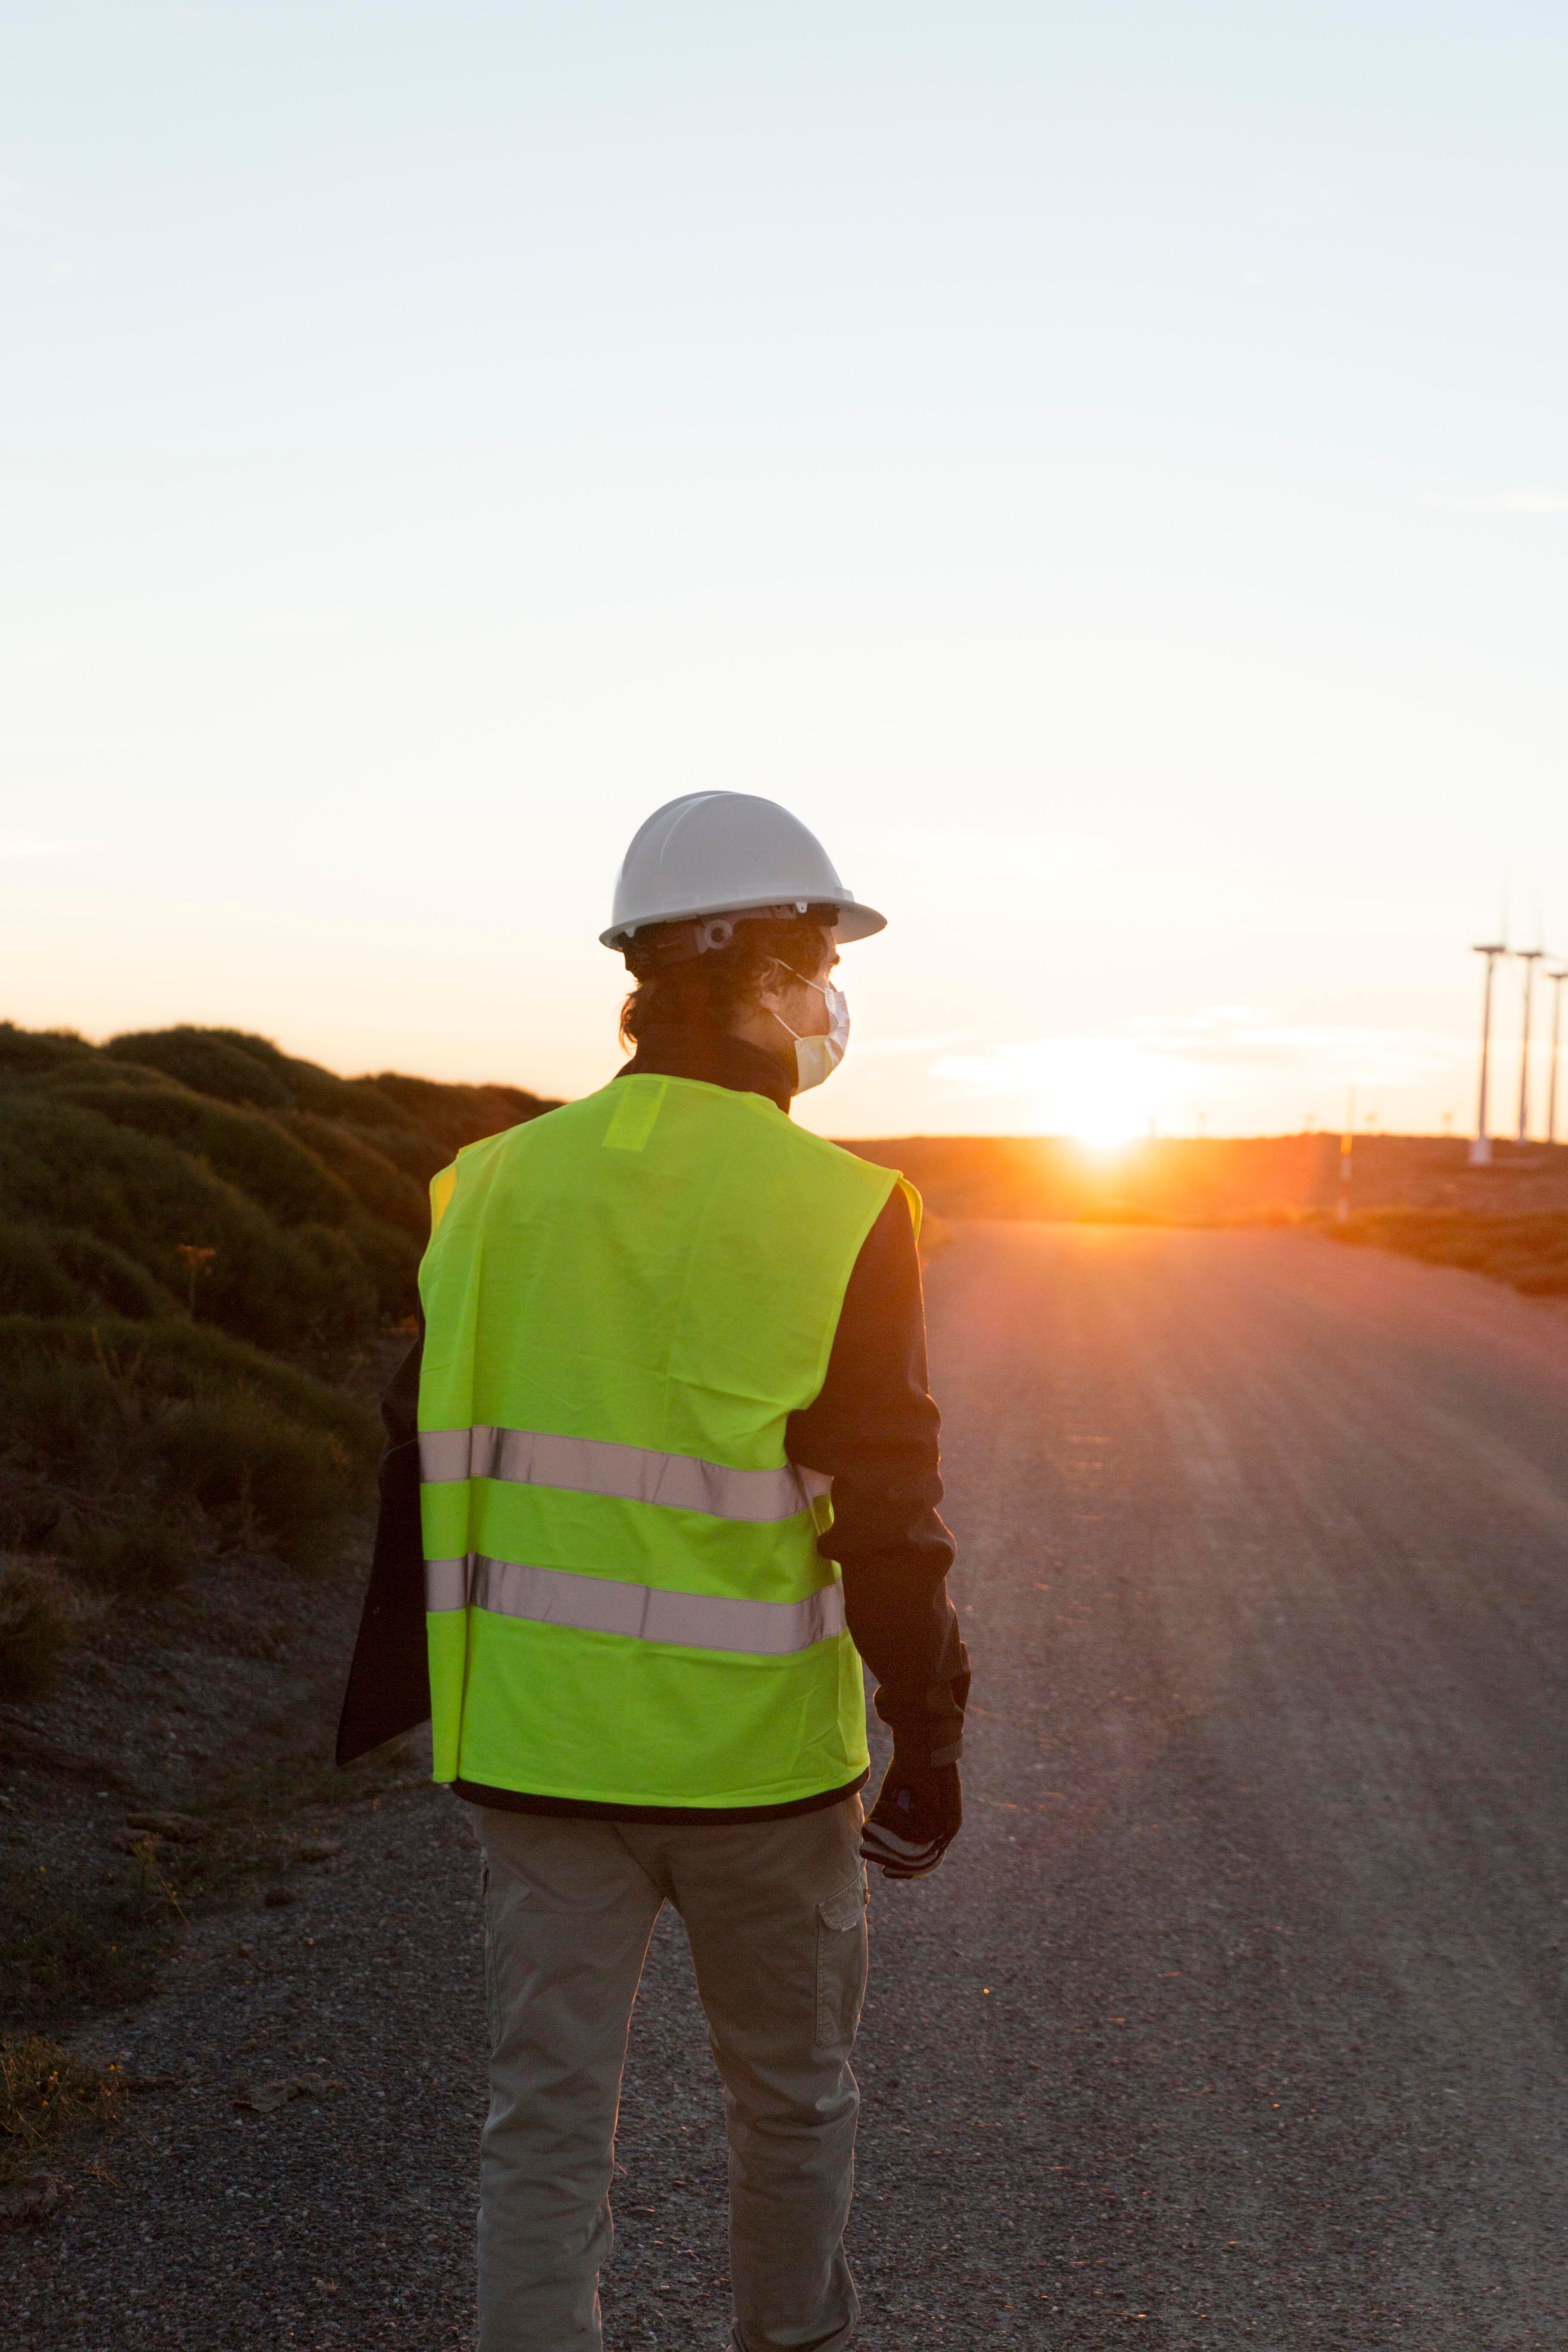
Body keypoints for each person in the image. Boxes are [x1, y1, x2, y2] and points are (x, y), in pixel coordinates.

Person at [338, 791, 969, 2352]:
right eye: (819, 950)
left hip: (540, 1752)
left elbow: (419, 1447)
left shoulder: (486, 1183)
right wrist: (933, 1724)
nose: (830, 991)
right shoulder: (840, 1205)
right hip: (756, 1764)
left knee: (542, 2126)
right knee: (793, 2105)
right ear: (764, 974)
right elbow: (888, 1507)